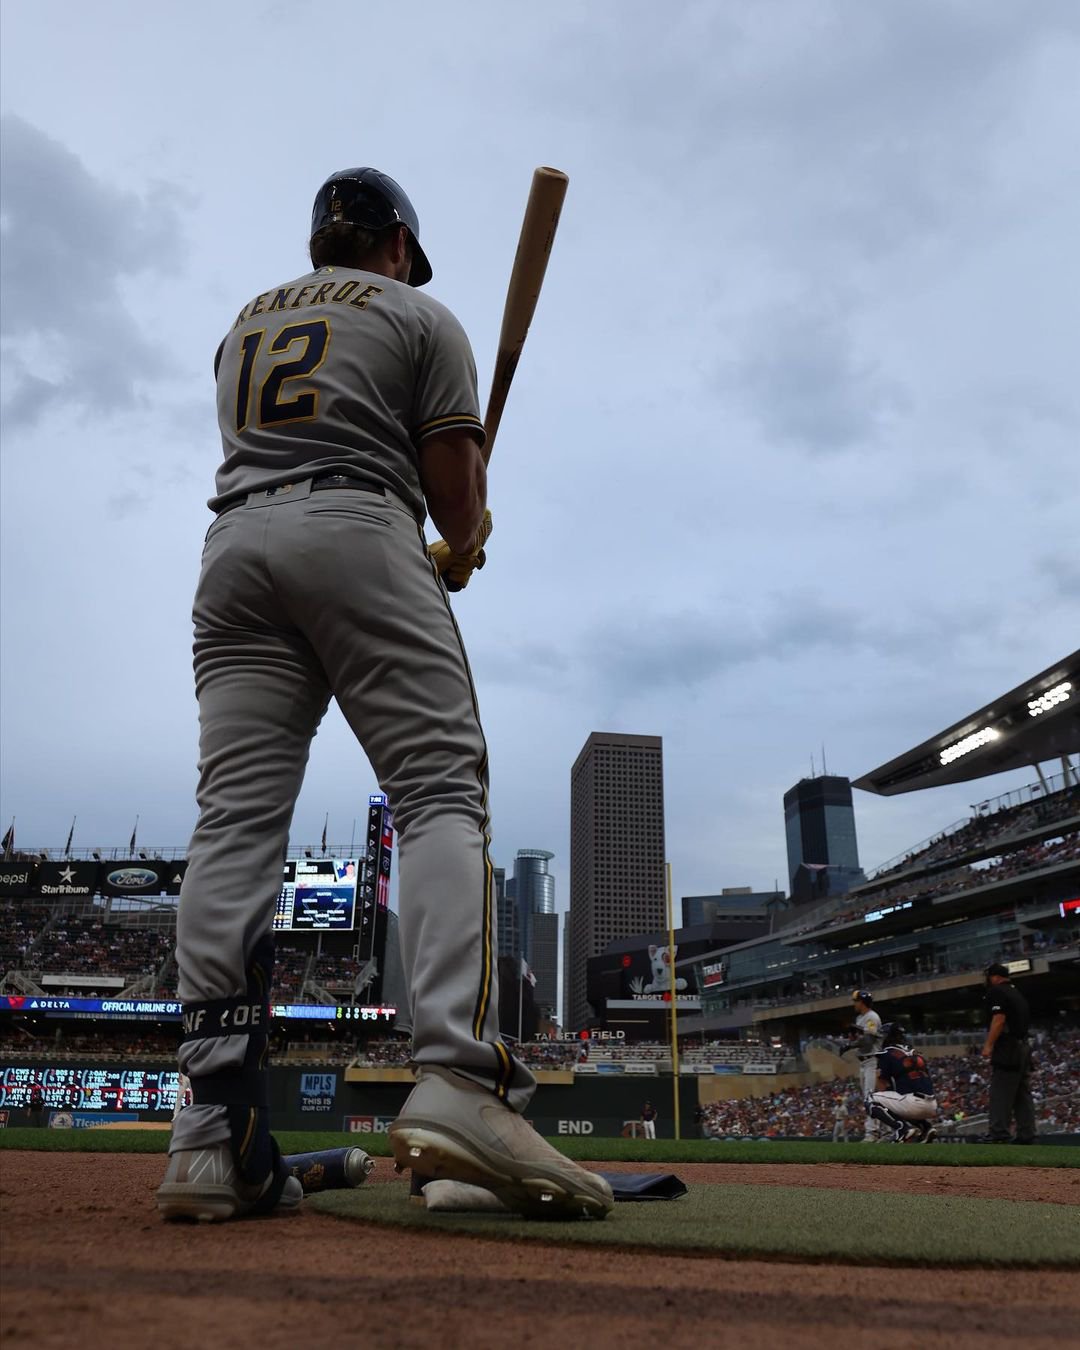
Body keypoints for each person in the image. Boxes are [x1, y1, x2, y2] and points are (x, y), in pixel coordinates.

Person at [156, 167, 612, 1224]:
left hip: (232, 550)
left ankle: (208, 1129)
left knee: (232, 826)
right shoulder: (421, 313)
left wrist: (441, 530)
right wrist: (465, 539)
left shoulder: (242, 325)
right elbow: (451, 494)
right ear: (399, 243)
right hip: (358, 533)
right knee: (441, 792)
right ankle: (459, 1076)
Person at [981, 962, 1035, 1144]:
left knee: (1000, 1092)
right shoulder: (1016, 991)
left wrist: (988, 1045)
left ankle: (998, 1133)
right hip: (1024, 1046)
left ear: (995, 977)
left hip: (1008, 1047)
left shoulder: (997, 991)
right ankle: (1026, 1134)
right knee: (1022, 1093)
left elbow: (999, 1019)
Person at [864, 1023, 939, 1142]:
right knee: (897, 1101)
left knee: (870, 1099)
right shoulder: (915, 1052)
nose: (881, 1039)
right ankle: (926, 1127)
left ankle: (902, 1128)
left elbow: (882, 1085)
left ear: (889, 1036)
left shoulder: (887, 1053)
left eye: (883, 1036)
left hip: (913, 1103)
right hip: (932, 1104)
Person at [849, 990, 884, 1139]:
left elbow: (869, 1042)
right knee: (869, 1097)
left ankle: (872, 1132)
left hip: (872, 1061)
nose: (854, 1004)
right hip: (864, 1062)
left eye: (856, 1001)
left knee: (871, 1097)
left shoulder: (872, 1017)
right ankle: (878, 1130)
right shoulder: (860, 1018)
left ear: (862, 1002)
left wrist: (854, 1042)